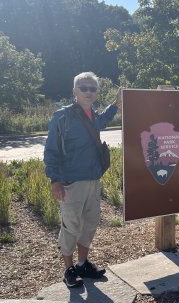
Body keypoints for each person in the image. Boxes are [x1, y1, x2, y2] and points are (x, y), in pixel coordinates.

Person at [44, 72, 121, 288]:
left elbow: (103, 122)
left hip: (93, 180)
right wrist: (55, 180)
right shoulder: (62, 117)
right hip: (71, 183)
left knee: (89, 223)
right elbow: (51, 151)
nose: (89, 92)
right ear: (74, 91)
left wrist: (116, 105)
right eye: (84, 88)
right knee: (71, 226)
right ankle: (68, 270)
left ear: (96, 93)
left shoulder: (93, 115)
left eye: (92, 88)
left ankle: (82, 263)